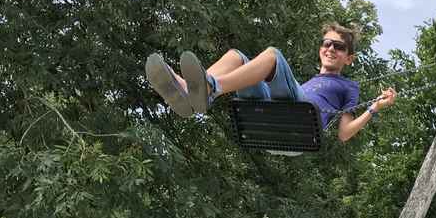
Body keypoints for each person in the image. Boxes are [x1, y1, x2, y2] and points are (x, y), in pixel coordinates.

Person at [145, 23, 396, 143]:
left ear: (349, 58)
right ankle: (193, 91)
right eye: (326, 43)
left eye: (338, 46)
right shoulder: (311, 81)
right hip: (277, 111)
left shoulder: (347, 86)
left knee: (272, 55)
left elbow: (343, 134)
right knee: (236, 56)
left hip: (302, 121)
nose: (330, 48)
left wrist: (374, 108)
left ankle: (209, 88)